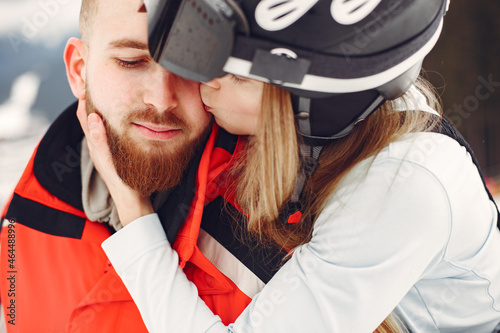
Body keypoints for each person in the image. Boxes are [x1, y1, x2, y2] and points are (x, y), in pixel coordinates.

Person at [86, 0, 500, 332]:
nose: (204, 82)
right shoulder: (345, 130)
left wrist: (134, 212)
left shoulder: (402, 187)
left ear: (311, 106)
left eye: (240, 77)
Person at [0, 0, 216, 331]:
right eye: (131, 62)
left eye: (190, 63)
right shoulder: (22, 226)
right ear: (78, 71)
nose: (161, 98)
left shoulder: (284, 226)